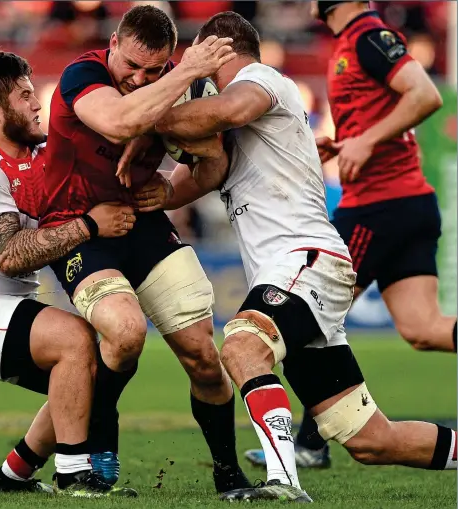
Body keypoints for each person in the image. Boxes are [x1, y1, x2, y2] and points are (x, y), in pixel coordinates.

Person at [135, 11, 457, 502]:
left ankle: (283, 482)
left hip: (306, 258)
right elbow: (197, 178)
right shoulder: (231, 121)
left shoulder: (259, 79)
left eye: (199, 54)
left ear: (220, 47)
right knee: (371, 440)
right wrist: (152, 194)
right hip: (298, 269)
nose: (192, 67)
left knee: (243, 345)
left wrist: (142, 112)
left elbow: (230, 110)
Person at [39, 5, 250, 493]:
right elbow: (116, 123)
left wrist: (172, 192)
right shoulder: (82, 74)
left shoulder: (179, 80)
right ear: (113, 43)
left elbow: (214, 162)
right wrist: (180, 87)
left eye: (154, 70)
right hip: (77, 226)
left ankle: (229, 476)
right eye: (131, 66)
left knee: (202, 354)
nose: (139, 78)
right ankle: (98, 441)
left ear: (169, 62)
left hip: (143, 222)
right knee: (126, 332)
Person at [245, 0, 457, 471]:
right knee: (423, 329)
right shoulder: (351, 41)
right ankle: (311, 443)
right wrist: (347, 143)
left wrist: (366, 140)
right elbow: (383, 112)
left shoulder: (367, 36)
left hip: (376, 209)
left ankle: (308, 445)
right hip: (408, 203)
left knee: (306, 312)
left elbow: (424, 94)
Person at [0, 49, 138, 498]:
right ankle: (74, 474)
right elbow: (9, 255)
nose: (37, 104)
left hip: (2, 307)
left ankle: (11, 476)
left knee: (87, 367)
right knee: (73, 339)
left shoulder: (41, 155)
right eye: (24, 96)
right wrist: (91, 225)